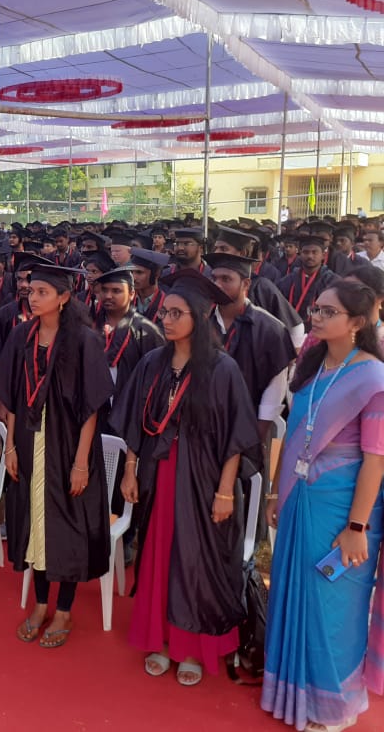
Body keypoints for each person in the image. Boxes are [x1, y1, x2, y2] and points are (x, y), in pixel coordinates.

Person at [111, 269, 261, 687]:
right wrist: (129, 470)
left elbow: (236, 437)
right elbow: (134, 423)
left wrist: (226, 491)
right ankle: (160, 641)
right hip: (159, 475)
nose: (167, 319)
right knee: (160, 555)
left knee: (196, 561)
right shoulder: (152, 364)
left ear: (200, 314)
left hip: (204, 480)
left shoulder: (222, 369)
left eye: (178, 313)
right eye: (165, 312)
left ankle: (192, 647)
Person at [262, 279, 384, 732]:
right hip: (299, 500)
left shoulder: (372, 379)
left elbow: (376, 461)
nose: (315, 316)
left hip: (342, 511)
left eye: (329, 312)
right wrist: (276, 493)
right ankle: (292, 693)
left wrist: (357, 527)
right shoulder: (313, 365)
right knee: (293, 593)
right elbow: (296, 435)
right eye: (316, 308)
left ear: (357, 322)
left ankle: (333, 706)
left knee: (334, 607)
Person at [0, 263, 114, 646]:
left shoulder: (83, 340)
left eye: (42, 292)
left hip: (68, 446)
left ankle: (64, 610)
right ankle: (41, 604)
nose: (33, 297)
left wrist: (81, 463)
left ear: (63, 297)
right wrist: (10, 447)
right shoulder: (21, 336)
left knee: (68, 527)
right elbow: (12, 396)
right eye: (31, 290)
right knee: (35, 525)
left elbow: (92, 408)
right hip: (29, 443)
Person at [206, 253, 295, 441]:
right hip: (203, 425)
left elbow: (275, 389)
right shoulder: (201, 322)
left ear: (246, 284)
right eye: (214, 278)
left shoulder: (270, 328)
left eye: (226, 279)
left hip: (247, 425)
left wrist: (254, 438)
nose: (217, 285)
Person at [92, 265, 164, 400]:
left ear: (131, 294)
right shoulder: (91, 325)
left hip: (129, 405)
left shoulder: (146, 331)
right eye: (104, 290)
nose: (108, 296)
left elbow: (154, 378)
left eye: (116, 291)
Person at [277, 235, 337, 330]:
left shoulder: (332, 282)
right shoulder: (288, 280)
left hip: (321, 330)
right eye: (306, 252)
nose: (310, 256)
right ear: (300, 254)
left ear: (323, 255)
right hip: (291, 329)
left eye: (314, 252)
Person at [131, 248, 170, 322]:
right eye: (131, 272)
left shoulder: (167, 303)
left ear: (156, 274)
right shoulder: (127, 300)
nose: (133, 277)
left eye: (139, 272)